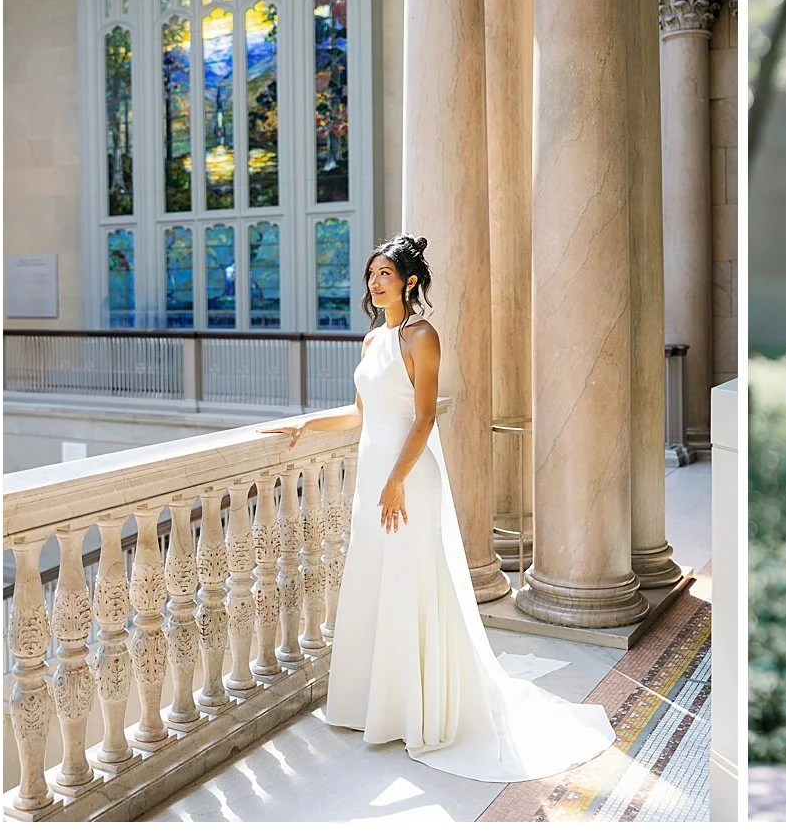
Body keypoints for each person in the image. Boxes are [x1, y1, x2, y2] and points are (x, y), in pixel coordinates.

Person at [261, 232, 614, 781]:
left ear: (410, 281)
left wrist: (397, 481)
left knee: (412, 583)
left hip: (407, 479)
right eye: (371, 274)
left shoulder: (422, 336)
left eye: (385, 274)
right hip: (375, 474)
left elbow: (423, 418)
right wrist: (308, 423)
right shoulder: (372, 340)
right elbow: (360, 415)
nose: (375, 282)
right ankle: (379, 704)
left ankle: (420, 712)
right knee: (377, 582)